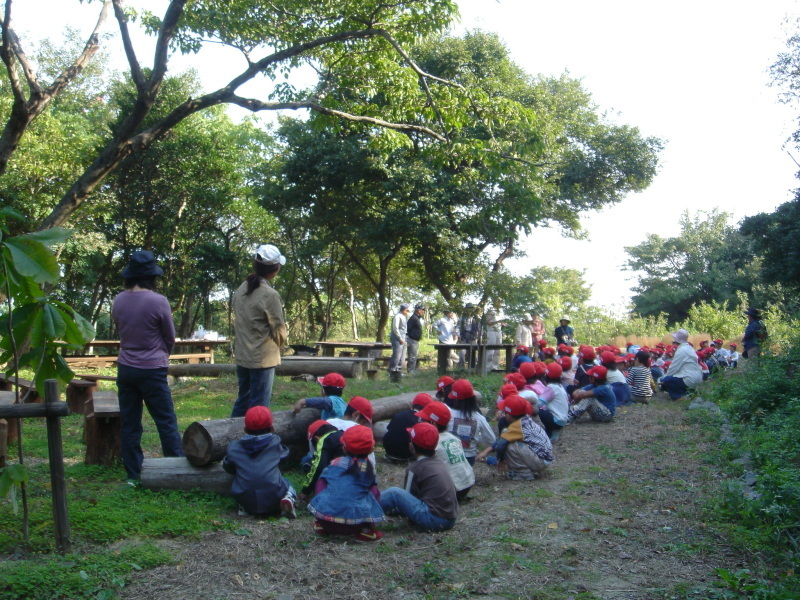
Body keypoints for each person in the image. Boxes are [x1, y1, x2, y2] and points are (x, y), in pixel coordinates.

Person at [112, 250, 183, 483]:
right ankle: (175, 468)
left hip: (126, 367)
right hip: (152, 369)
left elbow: (121, 329)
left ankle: (134, 474)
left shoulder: (118, 300)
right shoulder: (158, 301)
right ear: (152, 277)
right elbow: (169, 337)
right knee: (165, 420)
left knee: (130, 423)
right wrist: (162, 356)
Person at [231, 244, 288, 417]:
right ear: (275, 270)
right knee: (259, 407)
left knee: (243, 400)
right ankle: (257, 440)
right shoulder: (269, 294)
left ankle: (230, 436)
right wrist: (282, 345)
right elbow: (279, 329)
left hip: (243, 355)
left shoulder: (242, 288)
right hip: (262, 358)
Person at [309, 425, 385, 542]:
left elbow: (321, 483)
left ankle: (319, 521)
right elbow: (374, 494)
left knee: (323, 481)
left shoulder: (335, 463)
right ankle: (367, 530)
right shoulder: (369, 469)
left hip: (327, 521)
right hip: (355, 525)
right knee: (373, 491)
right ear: (371, 449)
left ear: (344, 448)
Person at [379, 422, 458, 532]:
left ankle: (365, 512)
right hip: (450, 518)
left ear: (411, 446)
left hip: (435, 520)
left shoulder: (415, 468)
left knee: (394, 493)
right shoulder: (438, 461)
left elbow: (409, 496)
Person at [222, 406, 297, 518]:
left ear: (245, 430)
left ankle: (244, 506)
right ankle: (288, 497)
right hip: (274, 497)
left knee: (239, 477)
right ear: (272, 428)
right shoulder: (275, 443)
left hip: (244, 498)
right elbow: (284, 457)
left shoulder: (234, 447)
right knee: (285, 481)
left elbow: (227, 466)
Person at [476, 394, 554, 480]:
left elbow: (501, 444)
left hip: (540, 460)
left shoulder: (518, 426)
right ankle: (530, 470)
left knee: (510, 446)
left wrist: (501, 459)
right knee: (507, 437)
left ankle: (524, 474)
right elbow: (504, 437)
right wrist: (488, 450)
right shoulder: (524, 419)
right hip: (543, 457)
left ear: (509, 415)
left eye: (505, 412)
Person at [415, 401, 475, 501]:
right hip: (467, 484)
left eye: (422, 420)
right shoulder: (454, 438)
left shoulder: (432, 442)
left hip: (450, 490)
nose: (419, 421)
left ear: (433, 424)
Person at [442, 379, 496, 465]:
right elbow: (492, 440)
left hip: (449, 456)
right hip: (469, 459)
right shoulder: (479, 418)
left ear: (455, 399)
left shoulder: (447, 413)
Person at [382, 393, 432, 460]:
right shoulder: (420, 420)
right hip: (405, 454)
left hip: (388, 449)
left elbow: (389, 428)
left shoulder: (401, 414)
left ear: (413, 405)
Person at [658, 329, 703, 400]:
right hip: (697, 378)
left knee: (668, 380)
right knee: (670, 379)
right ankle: (690, 393)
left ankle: (680, 397)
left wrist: (663, 379)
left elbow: (673, 368)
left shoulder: (681, 351)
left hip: (689, 379)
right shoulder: (689, 348)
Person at [389, 303, 411, 382]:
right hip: (397, 339)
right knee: (397, 356)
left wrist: (404, 339)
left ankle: (398, 371)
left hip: (403, 338)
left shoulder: (404, 317)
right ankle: (392, 371)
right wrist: (400, 338)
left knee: (402, 357)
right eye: (407, 310)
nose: (408, 312)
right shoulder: (397, 316)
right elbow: (395, 328)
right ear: (404, 310)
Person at [457, 303, 481, 368]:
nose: (469, 309)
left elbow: (479, 328)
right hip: (464, 336)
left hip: (473, 337)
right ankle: (461, 368)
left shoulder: (477, 317)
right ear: (466, 309)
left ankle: (474, 368)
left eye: (471, 308)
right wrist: (458, 335)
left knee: (473, 353)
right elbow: (458, 327)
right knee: (462, 353)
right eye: (468, 308)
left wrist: (478, 337)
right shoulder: (462, 317)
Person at [485, 301, 505, 371]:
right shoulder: (490, 311)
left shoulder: (501, 311)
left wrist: (502, 323)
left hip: (498, 331)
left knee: (497, 350)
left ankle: (495, 366)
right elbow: (487, 322)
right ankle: (488, 367)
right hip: (491, 331)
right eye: (498, 302)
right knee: (490, 349)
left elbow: (500, 321)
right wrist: (497, 322)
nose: (500, 303)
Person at [406, 304, 425, 374]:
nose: (423, 312)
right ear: (418, 310)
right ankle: (410, 370)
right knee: (412, 356)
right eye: (422, 310)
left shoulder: (416, 318)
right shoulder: (413, 318)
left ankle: (412, 369)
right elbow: (407, 328)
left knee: (414, 355)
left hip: (415, 340)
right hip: (412, 340)